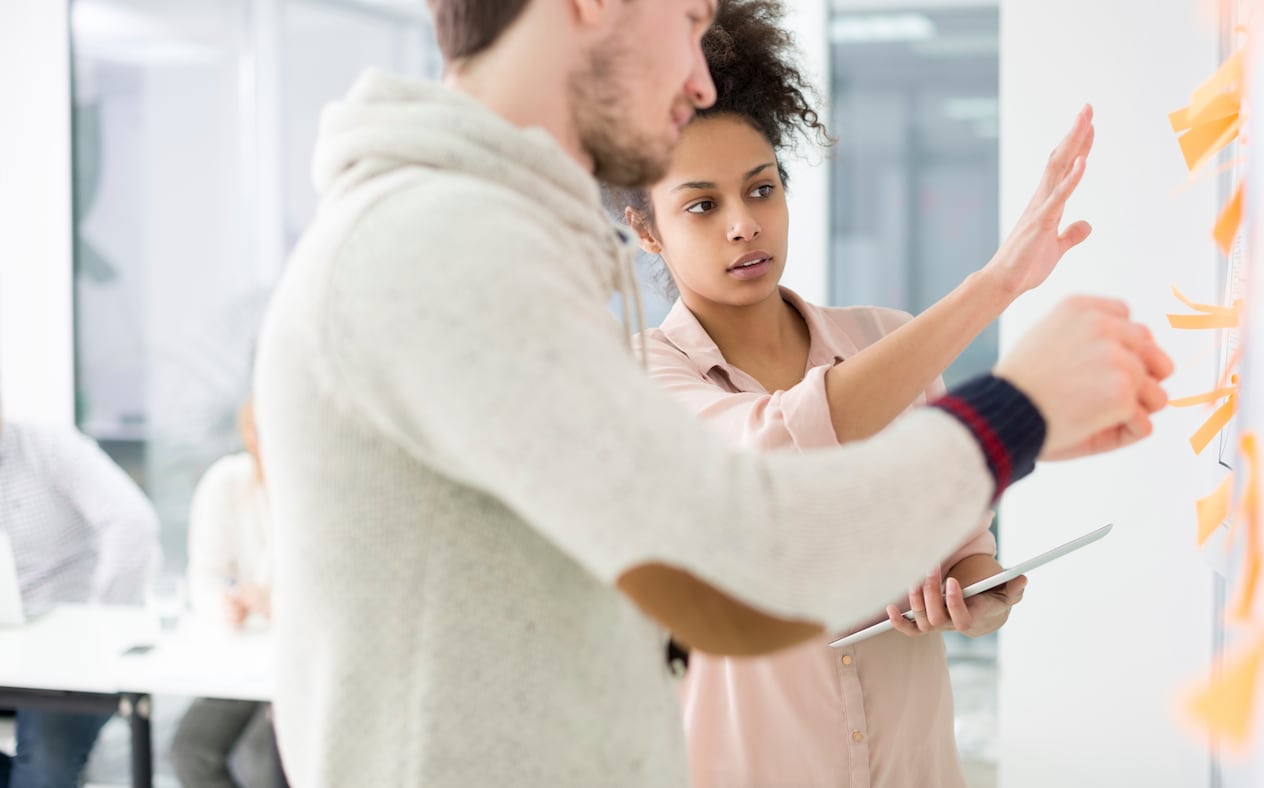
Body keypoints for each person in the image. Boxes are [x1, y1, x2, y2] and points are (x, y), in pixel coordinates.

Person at [251, 0, 1173, 785]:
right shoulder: (444, 247)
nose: (700, 77)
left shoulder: (501, 242)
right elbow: (742, 556)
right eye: (690, 20)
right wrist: (1017, 407)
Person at [612, 3, 1053, 784]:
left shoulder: (888, 338)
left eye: (761, 190)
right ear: (646, 230)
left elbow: (960, 536)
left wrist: (974, 591)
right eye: (702, 206)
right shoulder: (643, 373)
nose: (744, 225)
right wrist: (990, 290)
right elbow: (771, 449)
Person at [0, 401, 159, 787]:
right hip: (10, 650)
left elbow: (132, 523)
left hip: (69, 661)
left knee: (42, 770)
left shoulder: (48, 448)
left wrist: (101, 625)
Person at [171, 399, 287, 788]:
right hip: (243, 661)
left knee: (260, 759)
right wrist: (225, 605)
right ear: (252, 437)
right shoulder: (226, 484)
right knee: (190, 750)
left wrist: (280, 606)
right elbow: (204, 576)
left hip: (298, 665)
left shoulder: (327, 492)